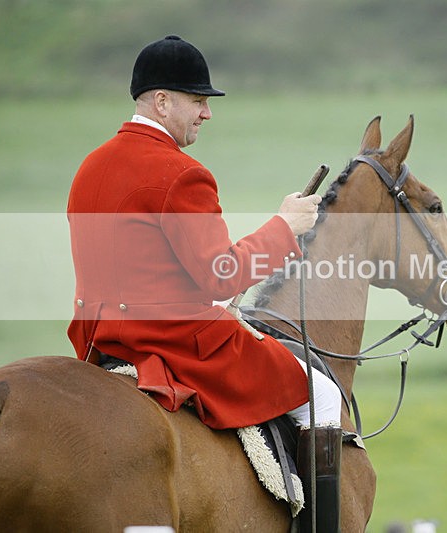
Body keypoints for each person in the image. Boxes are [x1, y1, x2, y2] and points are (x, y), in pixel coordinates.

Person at [67, 35, 341, 531]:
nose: (206, 114)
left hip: (100, 341)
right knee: (323, 395)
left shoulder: (91, 166)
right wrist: (285, 225)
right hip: (174, 342)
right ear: (162, 100)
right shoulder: (183, 173)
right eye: (197, 101)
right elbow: (223, 276)